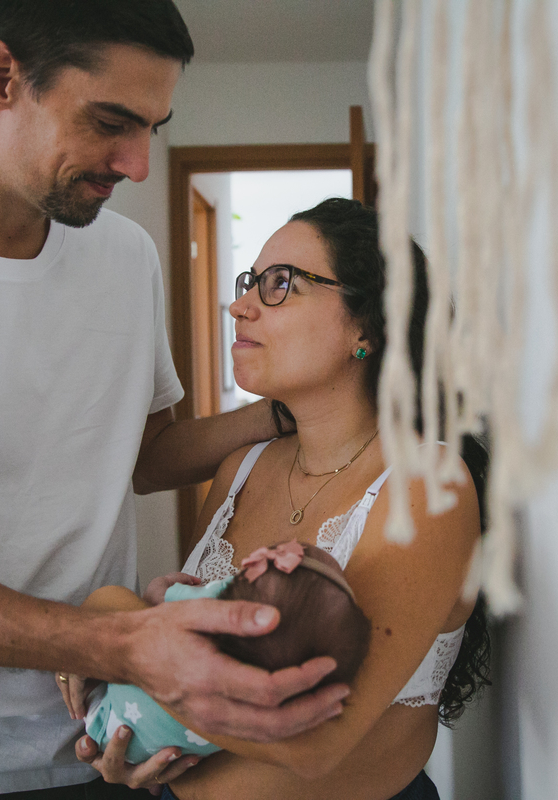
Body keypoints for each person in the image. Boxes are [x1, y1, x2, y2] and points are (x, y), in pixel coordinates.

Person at [0, 2, 346, 798]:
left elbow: (145, 455)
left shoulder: (126, 256)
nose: (138, 164)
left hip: (107, 734)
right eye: (111, 122)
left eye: (152, 128)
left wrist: (280, 413)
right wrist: (128, 645)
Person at [74, 198, 493, 799]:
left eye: (280, 284)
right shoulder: (240, 471)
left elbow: (314, 744)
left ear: (367, 326)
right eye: (250, 282)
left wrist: (111, 636)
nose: (240, 306)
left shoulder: (426, 487)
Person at [78, 540, 372, 764]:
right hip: (148, 752)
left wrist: (162, 588)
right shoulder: (282, 702)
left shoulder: (219, 604)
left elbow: (159, 598)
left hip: (109, 715)